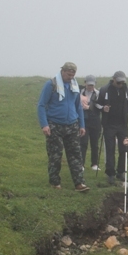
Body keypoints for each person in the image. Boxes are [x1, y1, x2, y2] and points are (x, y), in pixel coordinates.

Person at [36, 62, 89, 192]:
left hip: (72, 124)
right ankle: (55, 183)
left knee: (76, 155)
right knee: (55, 155)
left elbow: (78, 106)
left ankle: (79, 183)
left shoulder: (74, 85)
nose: (70, 77)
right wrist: (44, 125)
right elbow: (41, 105)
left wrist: (82, 124)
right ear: (62, 71)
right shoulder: (51, 84)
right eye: (68, 74)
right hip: (54, 125)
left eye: (72, 75)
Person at [96, 71, 128, 186]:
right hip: (109, 125)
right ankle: (110, 174)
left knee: (124, 148)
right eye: (119, 82)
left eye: (122, 82)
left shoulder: (126, 90)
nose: (120, 84)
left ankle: (121, 172)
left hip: (123, 125)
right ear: (113, 79)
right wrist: (103, 108)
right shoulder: (105, 90)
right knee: (110, 149)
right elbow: (96, 104)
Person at [79, 75, 102, 170]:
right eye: (89, 85)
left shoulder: (98, 93)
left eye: (92, 85)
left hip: (95, 121)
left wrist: (91, 107)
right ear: (85, 83)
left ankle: (94, 164)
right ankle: (81, 164)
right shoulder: (81, 92)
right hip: (84, 120)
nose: (90, 87)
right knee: (83, 143)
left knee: (95, 143)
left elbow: (100, 106)